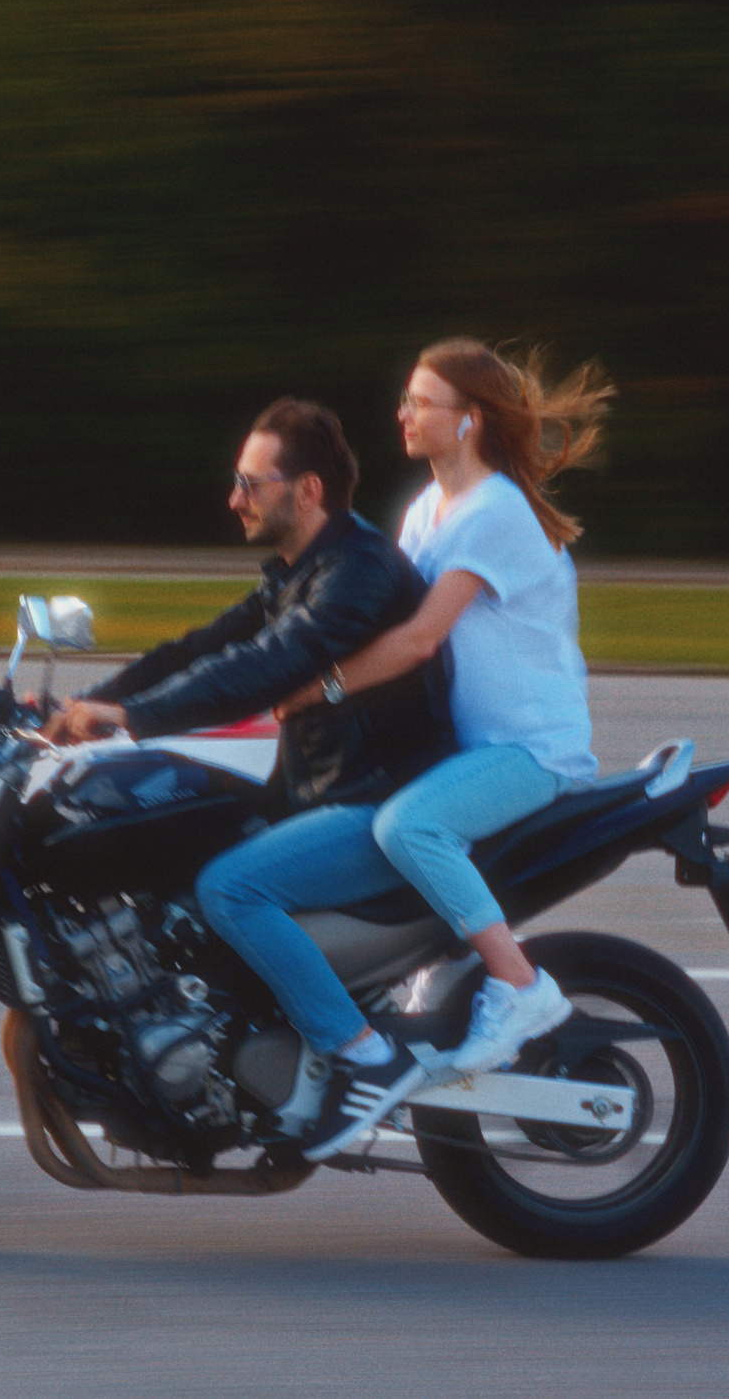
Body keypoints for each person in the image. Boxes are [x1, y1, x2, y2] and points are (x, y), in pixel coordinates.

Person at [198, 338, 613, 1163]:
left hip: (529, 750)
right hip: (468, 748)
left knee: (407, 829)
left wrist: (317, 689)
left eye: (420, 401)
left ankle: (520, 985)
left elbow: (418, 640)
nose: (404, 412)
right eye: (407, 399)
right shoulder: (429, 508)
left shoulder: (495, 510)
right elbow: (370, 611)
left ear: (469, 419)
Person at [44, 398, 450, 822]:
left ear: (309, 491)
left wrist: (133, 715)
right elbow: (198, 649)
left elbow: (268, 661)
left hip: (373, 795)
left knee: (223, 886)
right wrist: (84, 703)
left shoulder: (359, 569)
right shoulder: (300, 570)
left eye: (251, 484)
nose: (235, 499)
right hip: (317, 788)